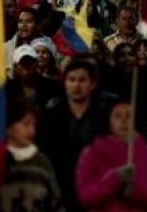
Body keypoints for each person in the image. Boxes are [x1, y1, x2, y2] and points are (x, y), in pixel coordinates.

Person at [75, 99, 147, 212]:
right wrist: (114, 178)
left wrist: (138, 192)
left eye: (128, 116)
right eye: (117, 116)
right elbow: (85, 195)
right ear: (109, 120)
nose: (123, 121)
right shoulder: (92, 153)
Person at [39, 60, 100, 212]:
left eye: (82, 80)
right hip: (59, 192)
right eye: (71, 80)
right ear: (65, 83)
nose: (76, 85)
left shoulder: (103, 118)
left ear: (92, 84)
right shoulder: (49, 118)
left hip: (95, 192)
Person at [0, 99, 64, 212]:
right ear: (9, 128)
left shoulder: (42, 162)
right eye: (26, 124)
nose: (31, 130)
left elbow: (56, 203)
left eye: (34, 125)